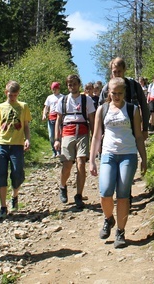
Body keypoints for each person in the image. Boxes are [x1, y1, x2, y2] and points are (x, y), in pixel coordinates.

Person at [89, 77, 147, 249]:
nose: (116, 96)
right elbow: (96, 136)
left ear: (124, 93)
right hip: (108, 154)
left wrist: (144, 158)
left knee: (123, 195)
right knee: (105, 191)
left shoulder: (132, 109)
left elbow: (138, 136)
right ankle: (109, 219)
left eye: (119, 93)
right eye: (113, 93)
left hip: (128, 155)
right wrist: (92, 160)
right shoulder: (102, 109)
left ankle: (120, 232)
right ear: (108, 93)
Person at [0, 81, 31, 219]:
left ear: (18, 94)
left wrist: (27, 139)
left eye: (15, 95)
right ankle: (3, 206)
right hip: (1, 144)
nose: (13, 97)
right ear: (6, 93)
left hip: (17, 145)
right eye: (11, 95)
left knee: (17, 172)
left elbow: (26, 126)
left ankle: (14, 195)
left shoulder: (23, 107)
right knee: (1, 174)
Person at [54, 74, 95, 210]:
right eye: (70, 84)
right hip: (67, 132)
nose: (72, 86)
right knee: (67, 164)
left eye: (74, 84)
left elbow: (91, 118)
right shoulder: (63, 100)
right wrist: (56, 139)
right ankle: (62, 185)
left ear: (79, 84)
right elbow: (58, 121)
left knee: (81, 163)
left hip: (83, 131)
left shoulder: (86, 100)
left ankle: (78, 195)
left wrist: (95, 137)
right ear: (67, 86)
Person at [98, 57, 150, 139]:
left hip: (132, 129)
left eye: (119, 71)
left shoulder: (134, 86)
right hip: (112, 132)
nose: (117, 74)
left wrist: (145, 129)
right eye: (115, 72)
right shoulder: (106, 89)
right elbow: (100, 112)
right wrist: (100, 132)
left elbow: (144, 106)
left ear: (124, 69)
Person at [42, 82, 62, 158]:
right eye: (52, 89)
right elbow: (46, 107)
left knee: (59, 135)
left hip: (59, 118)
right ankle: (54, 151)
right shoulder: (49, 97)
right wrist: (44, 114)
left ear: (58, 89)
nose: (54, 90)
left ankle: (59, 151)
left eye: (55, 89)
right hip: (51, 118)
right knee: (51, 136)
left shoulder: (62, 97)